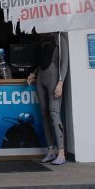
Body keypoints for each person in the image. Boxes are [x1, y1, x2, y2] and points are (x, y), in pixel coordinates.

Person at [27, 32, 69, 165]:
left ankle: (61, 153)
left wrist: (60, 83)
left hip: (54, 79)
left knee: (54, 114)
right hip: (41, 78)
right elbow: (42, 62)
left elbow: (64, 63)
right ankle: (51, 151)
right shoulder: (43, 40)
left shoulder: (60, 38)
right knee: (44, 114)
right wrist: (33, 73)